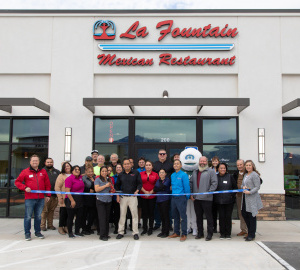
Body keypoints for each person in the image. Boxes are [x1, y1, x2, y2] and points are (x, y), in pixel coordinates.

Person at [15, 154, 51, 241]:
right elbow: (17, 182)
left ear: (39, 162)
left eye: (36, 160)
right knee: (28, 216)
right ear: (30, 162)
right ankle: (27, 233)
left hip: (41, 198)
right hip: (30, 198)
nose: (35, 162)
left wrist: (48, 195)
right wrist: (25, 188)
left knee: (38, 216)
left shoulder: (43, 172)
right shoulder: (25, 171)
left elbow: (47, 184)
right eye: (33, 161)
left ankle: (38, 232)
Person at [191, 156, 218, 241]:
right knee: (198, 217)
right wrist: (192, 193)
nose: (202, 163)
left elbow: (214, 183)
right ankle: (200, 233)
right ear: (199, 162)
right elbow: (191, 182)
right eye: (201, 161)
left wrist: (209, 192)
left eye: (204, 161)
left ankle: (210, 234)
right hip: (197, 199)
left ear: (207, 162)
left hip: (207, 199)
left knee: (209, 217)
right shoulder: (195, 171)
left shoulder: (211, 171)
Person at [115, 159, 142, 240]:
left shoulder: (136, 173)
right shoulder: (121, 175)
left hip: (133, 197)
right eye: (125, 164)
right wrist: (118, 195)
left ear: (131, 165)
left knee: (134, 215)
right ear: (123, 165)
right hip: (123, 197)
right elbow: (117, 186)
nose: (127, 165)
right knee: (122, 215)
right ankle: (121, 232)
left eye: (128, 164)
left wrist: (137, 191)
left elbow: (140, 183)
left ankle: (135, 232)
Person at [168, 160, 190, 242]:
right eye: (174, 164)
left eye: (178, 164)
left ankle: (184, 233)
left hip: (181, 198)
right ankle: (176, 232)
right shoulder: (172, 175)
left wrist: (186, 197)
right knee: (175, 216)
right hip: (173, 198)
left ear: (181, 165)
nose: (176, 165)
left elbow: (187, 187)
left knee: (183, 217)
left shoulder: (184, 175)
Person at [214, 163, 237, 240]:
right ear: (218, 169)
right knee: (221, 217)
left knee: (228, 217)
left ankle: (228, 234)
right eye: (221, 168)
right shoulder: (215, 177)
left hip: (229, 201)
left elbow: (235, 188)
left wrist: (232, 196)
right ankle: (222, 233)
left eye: (224, 168)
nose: (223, 169)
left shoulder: (230, 177)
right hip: (219, 202)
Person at [242, 160, 263, 241]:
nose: (248, 166)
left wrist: (250, 192)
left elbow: (257, 187)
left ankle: (251, 234)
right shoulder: (246, 175)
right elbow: (243, 184)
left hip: (252, 198)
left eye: (249, 165)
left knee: (251, 216)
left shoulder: (254, 175)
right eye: (246, 165)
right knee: (244, 214)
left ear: (252, 166)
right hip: (245, 198)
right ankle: (249, 231)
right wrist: (243, 187)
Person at [153, 149, 174, 230]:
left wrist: (172, 184)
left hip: (167, 190)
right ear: (158, 155)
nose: (162, 155)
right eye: (160, 154)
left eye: (163, 154)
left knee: (168, 208)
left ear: (166, 155)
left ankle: (169, 224)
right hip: (158, 189)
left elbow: (173, 175)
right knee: (157, 208)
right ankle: (157, 223)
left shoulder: (170, 164)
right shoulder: (155, 164)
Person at [40, 158, 60, 231]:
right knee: (44, 211)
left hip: (54, 195)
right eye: (48, 162)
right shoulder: (41, 171)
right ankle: (42, 225)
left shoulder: (57, 172)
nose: (49, 163)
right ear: (45, 163)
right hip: (45, 195)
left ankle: (50, 225)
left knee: (51, 211)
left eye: (51, 162)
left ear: (53, 163)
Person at [65, 165, 85, 238]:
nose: (77, 171)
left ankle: (77, 231)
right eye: (75, 169)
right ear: (72, 171)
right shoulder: (69, 179)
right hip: (71, 199)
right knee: (70, 217)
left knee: (79, 217)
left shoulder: (81, 178)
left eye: (78, 170)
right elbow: (67, 191)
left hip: (80, 199)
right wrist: (72, 201)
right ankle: (70, 232)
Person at [140, 160, 159, 236]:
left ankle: (150, 228)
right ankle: (144, 228)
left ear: (152, 166)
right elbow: (139, 184)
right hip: (143, 196)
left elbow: (157, 185)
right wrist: (145, 192)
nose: (148, 166)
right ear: (145, 166)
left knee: (151, 213)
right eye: (146, 165)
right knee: (144, 213)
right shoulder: (141, 174)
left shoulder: (155, 174)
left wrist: (150, 192)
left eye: (149, 165)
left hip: (152, 196)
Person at [95, 166, 114, 241]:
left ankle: (106, 233)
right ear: (100, 172)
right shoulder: (97, 179)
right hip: (100, 201)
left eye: (106, 171)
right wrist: (105, 185)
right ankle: (102, 235)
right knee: (102, 218)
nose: (104, 172)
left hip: (108, 200)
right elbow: (97, 189)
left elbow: (111, 188)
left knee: (107, 218)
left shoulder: (109, 179)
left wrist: (112, 191)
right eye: (103, 171)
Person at [55, 162, 72, 235]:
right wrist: (60, 197)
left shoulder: (73, 175)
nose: (67, 167)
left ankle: (66, 226)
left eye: (68, 166)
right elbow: (57, 187)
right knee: (63, 213)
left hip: (71, 198)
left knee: (69, 214)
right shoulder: (61, 176)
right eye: (65, 166)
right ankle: (60, 227)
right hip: (64, 197)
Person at [153, 168, 171, 238]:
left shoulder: (167, 180)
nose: (161, 174)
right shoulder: (158, 180)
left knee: (166, 216)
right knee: (162, 217)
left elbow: (163, 187)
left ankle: (166, 232)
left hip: (165, 200)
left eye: (163, 172)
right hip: (159, 200)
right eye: (160, 172)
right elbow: (155, 189)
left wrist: (159, 188)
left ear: (165, 174)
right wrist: (160, 188)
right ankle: (162, 231)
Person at [233, 159, 248, 237]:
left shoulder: (249, 173)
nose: (239, 166)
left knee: (248, 213)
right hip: (239, 196)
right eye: (238, 165)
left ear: (244, 164)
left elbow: (259, 181)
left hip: (248, 196)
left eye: (240, 164)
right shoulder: (235, 173)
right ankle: (243, 230)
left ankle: (249, 230)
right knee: (240, 213)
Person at [82, 166, 97, 235]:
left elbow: (96, 187)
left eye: (92, 171)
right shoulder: (83, 178)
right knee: (84, 215)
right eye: (89, 172)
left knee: (92, 214)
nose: (90, 173)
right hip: (85, 199)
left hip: (93, 199)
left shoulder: (95, 178)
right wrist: (88, 190)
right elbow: (81, 187)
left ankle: (89, 227)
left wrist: (94, 181)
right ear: (86, 172)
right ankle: (84, 229)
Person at [112, 163, 123, 234]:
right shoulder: (113, 177)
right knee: (116, 214)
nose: (118, 169)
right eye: (117, 167)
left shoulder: (125, 176)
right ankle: (116, 228)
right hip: (115, 198)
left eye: (120, 167)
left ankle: (123, 228)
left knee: (123, 214)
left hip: (123, 197)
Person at [211, 156, 220, 233]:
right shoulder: (210, 170)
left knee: (220, 212)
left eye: (216, 161)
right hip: (212, 194)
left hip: (219, 193)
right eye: (213, 161)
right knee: (213, 212)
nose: (215, 162)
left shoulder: (221, 169)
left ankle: (221, 227)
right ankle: (214, 227)